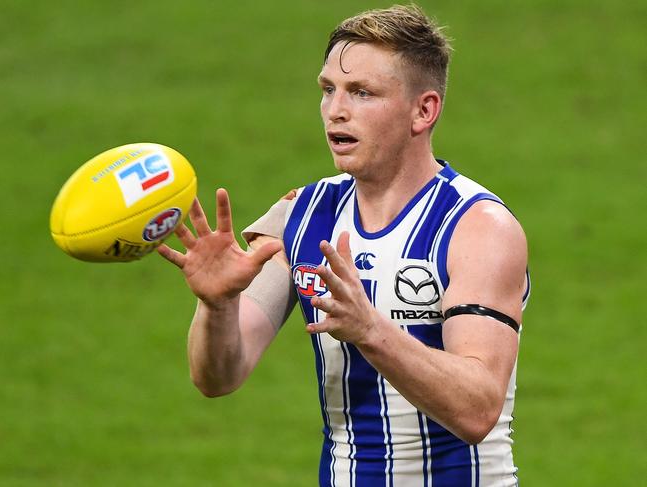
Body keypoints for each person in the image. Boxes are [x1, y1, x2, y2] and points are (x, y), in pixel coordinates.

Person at [158, 4, 529, 486]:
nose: (336, 110)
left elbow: (478, 408)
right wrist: (219, 305)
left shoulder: (477, 227)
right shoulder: (301, 216)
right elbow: (217, 377)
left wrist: (371, 329)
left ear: (424, 110)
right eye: (328, 89)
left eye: (362, 92)